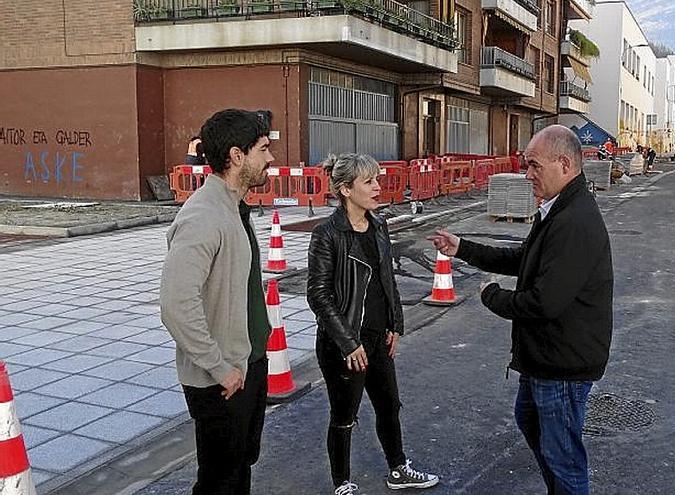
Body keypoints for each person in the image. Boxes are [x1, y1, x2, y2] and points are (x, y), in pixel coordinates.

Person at [428, 125, 613, 495]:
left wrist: (492, 296)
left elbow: (544, 302)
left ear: (563, 163)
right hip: (545, 356)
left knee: (563, 456)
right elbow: (523, 258)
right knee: (529, 418)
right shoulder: (558, 209)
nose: (526, 174)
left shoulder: (573, 221)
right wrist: (463, 247)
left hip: (562, 363)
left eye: (533, 166)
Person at [307, 153, 439, 495]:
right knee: (344, 414)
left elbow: (386, 281)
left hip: (380, 336)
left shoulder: (378, 225)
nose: (378, 187)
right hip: (345, 342)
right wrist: (348, 343)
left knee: (389, 406)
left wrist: (396, 324)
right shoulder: (328, 234)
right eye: (369, 182)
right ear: (346, 189)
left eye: (377, 179)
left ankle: (398, 469)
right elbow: (319, 295)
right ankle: (342, 483)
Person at [160, 109, 275, 494]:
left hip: (247, 365)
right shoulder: (203, 216)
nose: (271, 158)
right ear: (237, 156)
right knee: (219, 482)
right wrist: (219, 366)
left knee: (240, 468)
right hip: (221, 379)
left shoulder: (235, 208)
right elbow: (176, 304)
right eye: (263, 149)